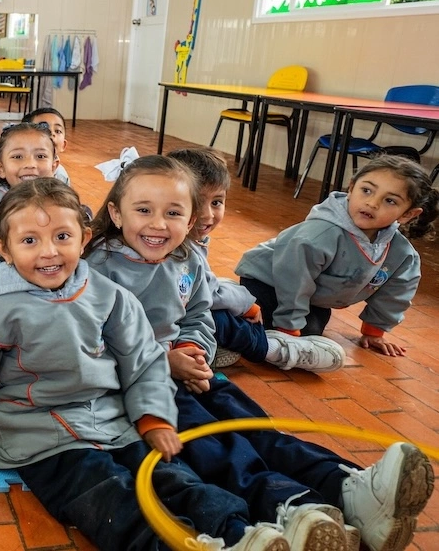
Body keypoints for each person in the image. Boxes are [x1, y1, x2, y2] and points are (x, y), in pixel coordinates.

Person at [85, 155, 435, 551]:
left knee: (254, 426)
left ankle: (344, 487)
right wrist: (164, 361)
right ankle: (288, 504)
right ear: (116, 212)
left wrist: (193, 349)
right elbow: (90, 343)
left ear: (189, 218)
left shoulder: (187, 260)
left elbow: (199, 314)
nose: (159, 224)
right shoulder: (97, 268)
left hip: (188, 371)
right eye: (144, 210)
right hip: (142, 384)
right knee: (214, 446)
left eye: (174, 213)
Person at [0, 177, 306, 551]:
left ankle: (239, 534)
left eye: (62, 237)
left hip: (115, 422)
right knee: (108, 496)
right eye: (30, 241)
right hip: (41, 437)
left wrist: (151, 416)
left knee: (174, 476)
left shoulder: (110, 297)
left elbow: (144, 361)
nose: (49, 252)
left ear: (84, 239)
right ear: (5, 250)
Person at [236, 155, 439, 358]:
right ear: (351, 188)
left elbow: (396, 293)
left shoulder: (402, 254)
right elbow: (293, 280)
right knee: (268, 330)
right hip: (266, 281)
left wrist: (374, 331)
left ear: (408, 214)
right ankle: (228, 313)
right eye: (366, 190)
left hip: (312, 297)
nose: (372, 203)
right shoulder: (319, 234)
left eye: (390, 200)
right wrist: (288, 327)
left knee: (310, 332)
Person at [168, 148, 347, 372]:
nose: (208, 215)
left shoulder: (190, 238)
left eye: (216, 202)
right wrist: (247, 305)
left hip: (180, 314)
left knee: (225, 299)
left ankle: (221, 346)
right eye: (196, 202)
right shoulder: (176, 245)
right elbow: (206, 294)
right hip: (171, 327)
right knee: (223, 317)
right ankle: (273, 349)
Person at [0, 122, 59, 234]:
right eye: (18, 157)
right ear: (1, 168)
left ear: (54, 166)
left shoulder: (63, 200)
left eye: (40, 156)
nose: (30, 164)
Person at [22, 106, 71, 185]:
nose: (52, 133)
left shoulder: (61, 177)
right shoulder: (17, 167)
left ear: (63, 145)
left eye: (57, 131)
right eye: (43, 128)